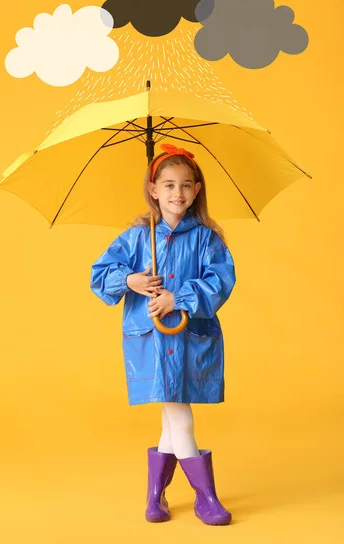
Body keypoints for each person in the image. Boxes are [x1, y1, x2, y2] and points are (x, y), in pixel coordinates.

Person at [90, 143, 236, 526]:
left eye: (186, 185)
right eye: (168, 185)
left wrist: (179, 297)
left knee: (172, 417)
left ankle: (155, 497)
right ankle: (206, 498)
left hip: (190, 339)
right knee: (178, 415)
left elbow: (221, 281)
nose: (177, 193)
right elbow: (100, 275)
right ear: (153, 189)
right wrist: (130, 280)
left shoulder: (207, 238)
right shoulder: (138, 236)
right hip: (151, 342)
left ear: (197, 190)